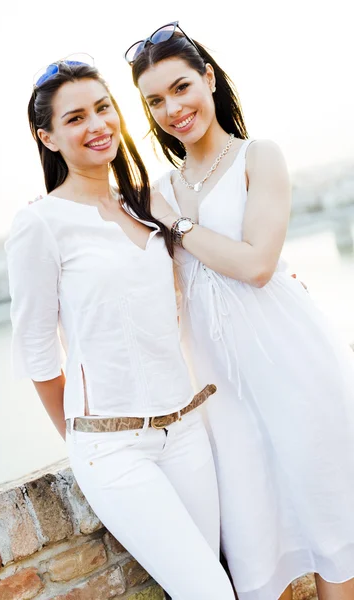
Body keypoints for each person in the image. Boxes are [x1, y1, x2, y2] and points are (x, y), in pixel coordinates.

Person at [126, 22, 354, 600]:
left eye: (181, 87)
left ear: (208, 77)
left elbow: (257, 264)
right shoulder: (160, 190)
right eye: (155, 101)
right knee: (253, 551)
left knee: (333, 533)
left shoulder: (259, 156)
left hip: (293, 364)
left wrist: (177, 224)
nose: (172, 109)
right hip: (220, 391)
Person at [5, 55, 236, 600]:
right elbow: (38, 353)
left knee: (208, 582)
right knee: (210, 593)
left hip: (185, 431)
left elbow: (196, 291)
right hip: (113, 449)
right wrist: (87, 442)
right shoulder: (40, 223)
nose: (98, 125)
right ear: (48, 137)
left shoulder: (147, 203)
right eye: (76, 118)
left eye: (104, 108)